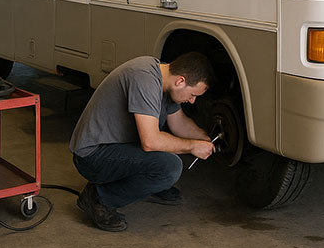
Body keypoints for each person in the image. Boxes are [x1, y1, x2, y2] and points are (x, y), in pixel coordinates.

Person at [69, 52, 216, 231]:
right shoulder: (144, 79)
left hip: (117, 147)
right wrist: (192, 146)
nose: (192, 101)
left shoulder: (165, 80)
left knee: (170, 145)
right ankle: (98, 198)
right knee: (169, 167)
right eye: (193, 94)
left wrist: (203, 138)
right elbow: (150, 141)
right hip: (92, 156)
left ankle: (150, 186)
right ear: (180, 81)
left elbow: (179, 123)